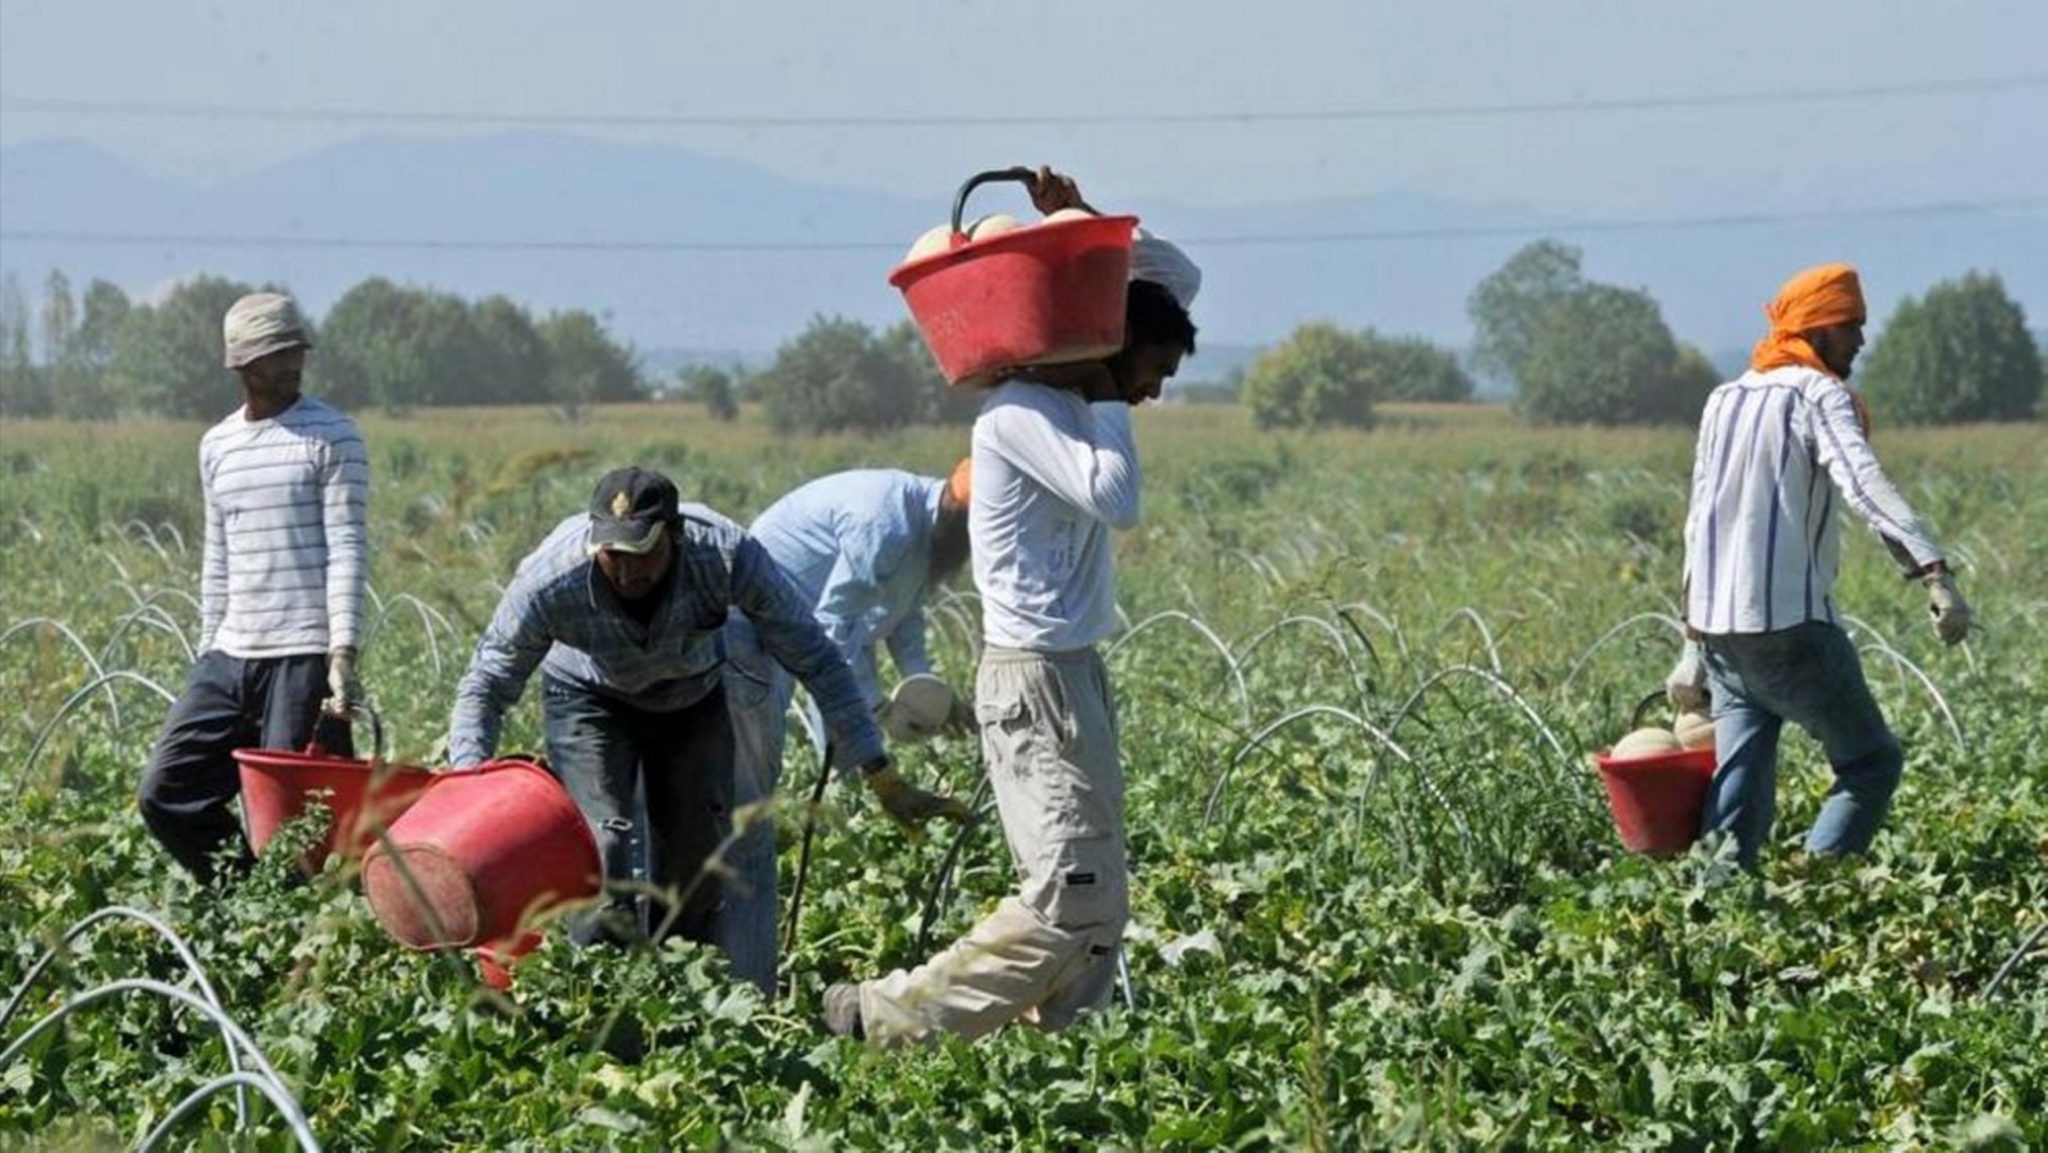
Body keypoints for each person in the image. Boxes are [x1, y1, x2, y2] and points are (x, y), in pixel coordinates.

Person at [827, 168, 1200, 1044]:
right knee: (1067, 894)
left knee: (1100, 898)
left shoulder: (1070, 404)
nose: (1155, 392)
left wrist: (1078, 226)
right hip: (1033, 680)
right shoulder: (1020, 414)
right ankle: (884, 1016)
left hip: (1075, 673)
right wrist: (1108, 388)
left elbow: (1177, 278)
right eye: (1151, 371)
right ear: (1112, 352)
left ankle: (1066, 1060)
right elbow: (1118, 497)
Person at [445, 466, 967, 952]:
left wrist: (879, 771)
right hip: (589, 699)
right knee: (606, 847)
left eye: (641, 553)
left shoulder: (723, 554)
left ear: (675, 537)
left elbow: (816, 657)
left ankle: (677, 1005)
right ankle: (599, 1007)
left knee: (694, 868)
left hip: (689, 698)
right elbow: (487, 682)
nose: (626, 572)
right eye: (612, 555)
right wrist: (467, 788)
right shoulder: (551, 580)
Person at [1666, 263, 1972, 870]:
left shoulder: (1724, 399)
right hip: (1791, 629)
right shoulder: (1818, 395)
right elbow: (1864, 484)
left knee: (1741, 781)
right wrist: (1934, 573)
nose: (1861, 340)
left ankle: (1720, 911)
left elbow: (1701, 519)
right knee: (1870, 762)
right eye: (1851, 326)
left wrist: (1692, 641)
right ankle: (1818, 893)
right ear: (1817, 329)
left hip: (1726, 634)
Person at [720, 463, 977, 992]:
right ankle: (739, 964)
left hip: (805, 629)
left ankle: (771, 936)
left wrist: (925, 690)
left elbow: (904, 620)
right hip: (752, 626)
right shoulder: (883, 524)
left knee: (844, 756)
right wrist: (874, 710)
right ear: (961, 515)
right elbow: (833, 632)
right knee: (748, 788)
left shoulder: (928, 537)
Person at [139, 293, 368, 883]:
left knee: (296, 828)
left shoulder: (332, 436)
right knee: (167, 792)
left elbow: (347, 548)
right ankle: (246, 902)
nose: (290, 362)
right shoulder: (217, 446)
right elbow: (217, 555)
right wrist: (206, 650)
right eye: (274, 353)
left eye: (295, 349)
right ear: (242, 365)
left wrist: (340, 654)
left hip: (301, 655)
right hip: (231, 653)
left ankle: (291, 934)